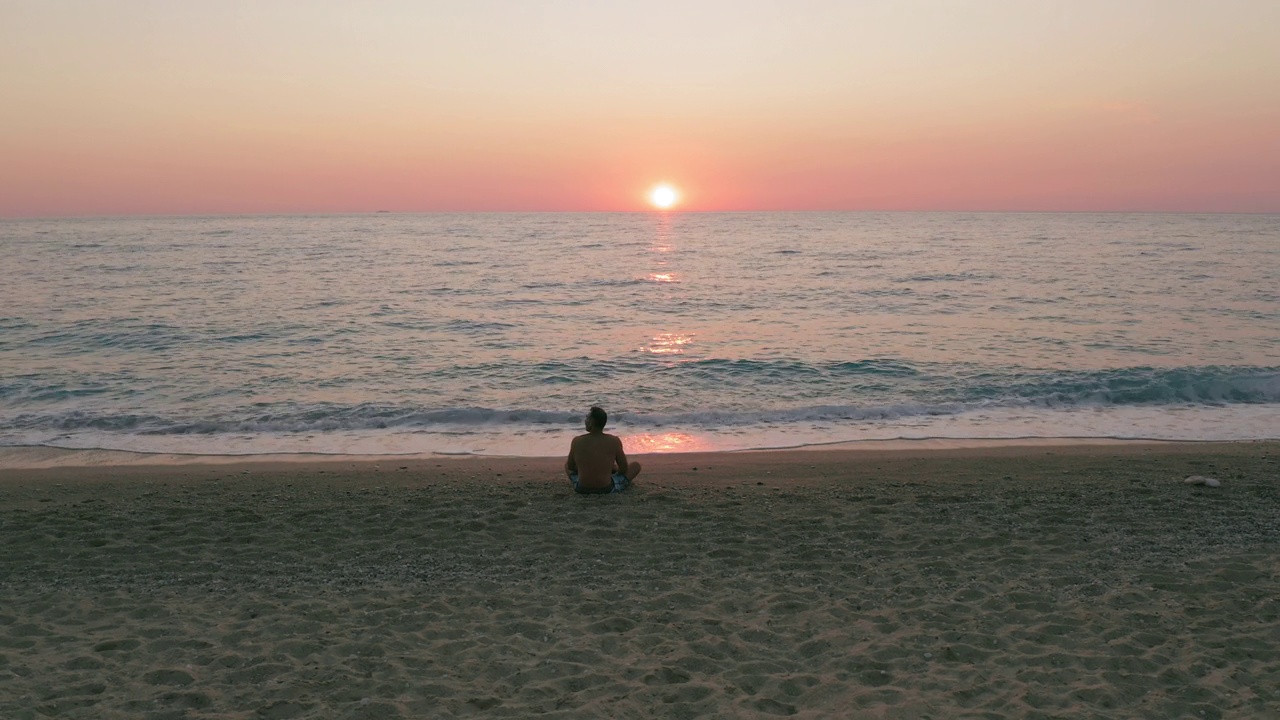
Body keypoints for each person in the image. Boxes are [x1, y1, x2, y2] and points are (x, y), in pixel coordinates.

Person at [565, 406, 641, 494]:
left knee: (566, 465)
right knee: (636, 466)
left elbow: (570, 466)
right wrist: (611, 470)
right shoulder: (614, 441)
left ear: (591, 422)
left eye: (587, 418)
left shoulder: (577, 441)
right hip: (606, 489)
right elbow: (624, 469)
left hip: (582, 489)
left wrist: (588, 470)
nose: (585, 421)